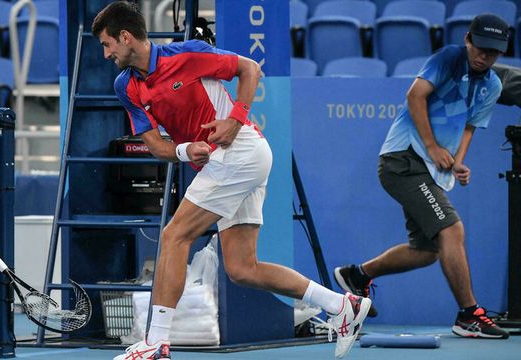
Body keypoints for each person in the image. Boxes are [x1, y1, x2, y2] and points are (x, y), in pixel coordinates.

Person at [91, 1, 371, 359]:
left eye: (107, 44)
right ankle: (341, 305)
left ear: (126, 37)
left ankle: (156, 343)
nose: (105, 53)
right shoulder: (125, 86)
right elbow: (155, 145)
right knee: (242, 268)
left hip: (240, 151)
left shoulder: (189, 54)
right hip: (228, 160)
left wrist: (235, 120)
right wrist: (185, 149)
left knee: (174, 235)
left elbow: (249, 68)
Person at [333, 13, 511, 339]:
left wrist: (457, 161)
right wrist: (431, 147)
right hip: (403, 160)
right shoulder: (448, 58)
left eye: (494, 51)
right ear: (468, 40)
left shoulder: (493, 85)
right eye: (481, 47)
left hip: (429, 171)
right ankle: (469, 315)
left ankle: (358, 275)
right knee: (452, 229)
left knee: (428, 251)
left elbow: (469, 126)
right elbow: (415, 95)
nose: (485, 56)